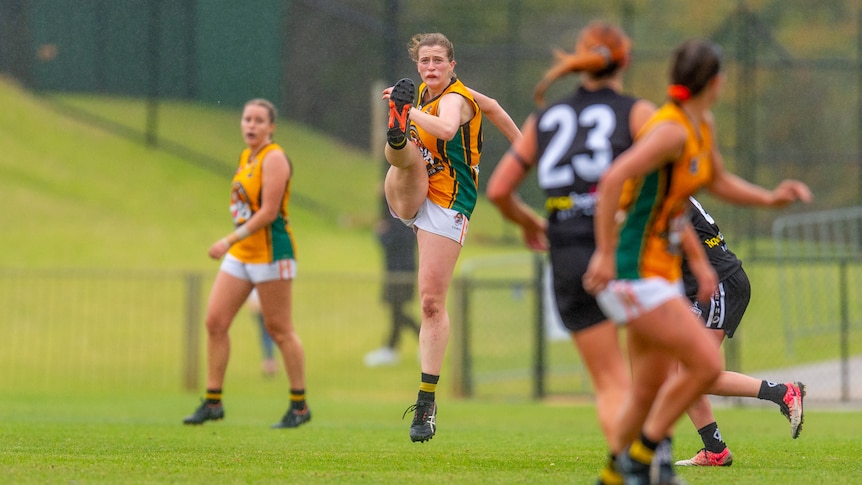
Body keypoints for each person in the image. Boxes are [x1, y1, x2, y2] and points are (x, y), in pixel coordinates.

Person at [581, 38, 812, 484]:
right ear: (716, 82)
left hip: (660, 275)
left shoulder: (698, 126)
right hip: (635, 271)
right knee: (696, 370)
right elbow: (613, 180)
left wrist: (770, 198)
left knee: (655, 381)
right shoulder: (669, 130)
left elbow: (718, 179)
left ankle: (627, 469)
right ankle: (649, 458)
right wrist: (607, 254)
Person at [485, 21, 655, 485]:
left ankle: (629, 469)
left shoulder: (546, 120)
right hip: (623, 250)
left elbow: (499, 190)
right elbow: (667, 170)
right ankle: (647, 459)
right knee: (653, 368)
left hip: (567, 253)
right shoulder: (638, 113)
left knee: (610, 382)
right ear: (625, 60)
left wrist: (531, 223)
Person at [382, 32, 521, 443]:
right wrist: (407, 111)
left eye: (438, 61)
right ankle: (395, 135)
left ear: (452, 65)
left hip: (448, 204)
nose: (430, 67)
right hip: (411, 190)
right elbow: (493, 106)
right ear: (418, 65)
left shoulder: (455, 99)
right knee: (403, 158)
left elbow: (445, 129)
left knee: (430, 303)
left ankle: (426, 403)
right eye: (424, 61)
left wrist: (528, 150)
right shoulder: (422, 93)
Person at [183, 98, 311, 429]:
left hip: (271, 253)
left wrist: (228, 240)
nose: (251, 125)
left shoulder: (275, 158)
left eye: (258, 121)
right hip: (243, 254)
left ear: (271, 127)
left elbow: (269, 213)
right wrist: (235, 244)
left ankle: (299, 406)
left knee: (279, 329)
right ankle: (213, 402)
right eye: (246, 119)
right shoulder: (246, 157)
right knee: (215, 321)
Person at [669, 196, 805, 468]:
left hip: (718, 284)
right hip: (709, 284)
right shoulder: (663, 185)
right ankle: (715, 450)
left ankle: (782, 393)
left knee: (691, 375)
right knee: (683, 375)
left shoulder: (664, 189)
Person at [363, 196, 420, 367]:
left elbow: (391, 241)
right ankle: (391, 349)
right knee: (396, 311)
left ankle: (418, 342)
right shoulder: (408, 216)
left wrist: (380, 233)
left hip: (400, 271)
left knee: (397, 311)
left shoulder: (400, 220)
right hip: (398, 269)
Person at [246, 289, 278, 377]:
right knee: (267, 333)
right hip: (261, 305)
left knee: (266, 333)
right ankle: (270, 361)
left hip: (261, 305)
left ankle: (269, 362)